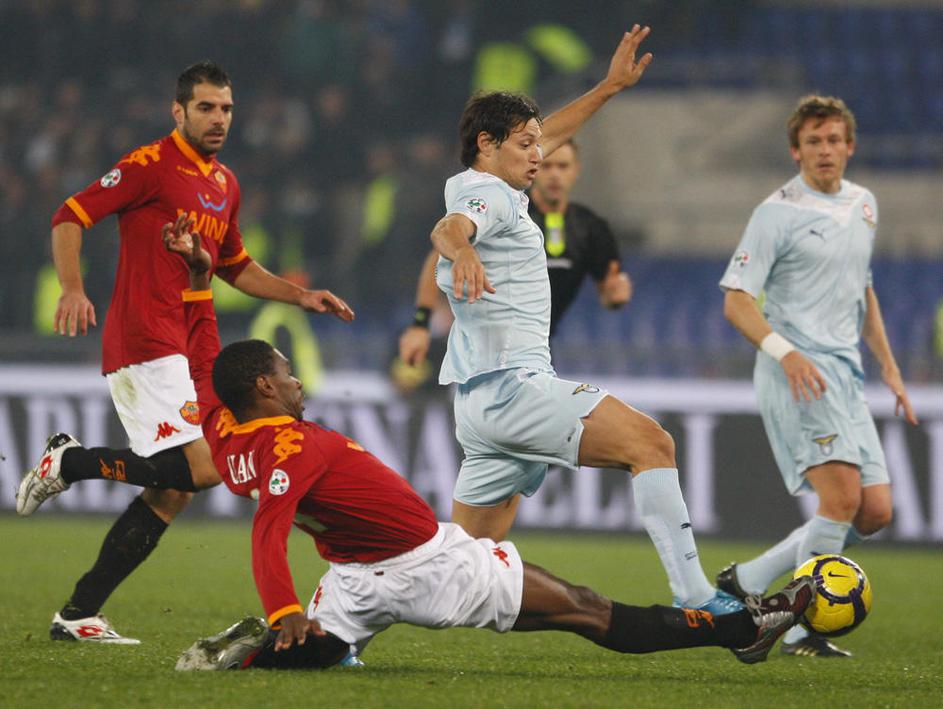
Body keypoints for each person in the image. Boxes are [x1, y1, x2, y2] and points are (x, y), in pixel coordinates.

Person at [157, 219, 811, 671]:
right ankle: (740, 628)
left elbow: (202, 352)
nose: (297, 380)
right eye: (285, 373)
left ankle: (246, 655)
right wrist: (283, 609)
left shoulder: (224, 426)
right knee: (585, 609)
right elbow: (267, 534)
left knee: (318, 652)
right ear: (264, 388)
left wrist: (198, 278)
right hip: (428, 565)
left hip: (352, 577)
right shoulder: (289, 449)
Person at [16, 60, 353, 644]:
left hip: (188, 344)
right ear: (179, 111)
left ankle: (78, 613)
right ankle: (69, 463)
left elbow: (235, 266)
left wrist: (301, 296)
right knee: (206, 467)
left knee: (172, 492)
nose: (219, 118)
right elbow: (70, 215)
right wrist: (72, 287)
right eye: (206, 107)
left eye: (226, 108)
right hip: (144, 339)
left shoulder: (225, 184)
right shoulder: (149, 165)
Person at [424, 26, 740, 616]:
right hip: (513, 390)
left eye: (539, 144)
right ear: (487, 144)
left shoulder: (489, 183)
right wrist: (461, 251)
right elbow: (450, 229)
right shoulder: (487, 196)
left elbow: (549, 134)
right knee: (651, 442)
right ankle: (698, 597)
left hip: (480, 403)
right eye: (526, 145)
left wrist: (610, 87)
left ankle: (339, 627)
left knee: (456, 566)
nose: (539, 155)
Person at [716, 95, 918, 658]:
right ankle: (800, 628)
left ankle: (749, 579)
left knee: (875, 511)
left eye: (833, 140)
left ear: (849, 146)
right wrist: (787, 354)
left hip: (845, 375)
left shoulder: (864, 204)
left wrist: (889, 366)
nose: (824, 150)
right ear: (795, 151)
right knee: (842, 497)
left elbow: (862, 289)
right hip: (797, 373)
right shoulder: (775, 213)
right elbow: (736, 301)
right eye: (813, 142)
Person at [398, 138, 631, 370]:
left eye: (563, 166)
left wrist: (615, 295)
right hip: (486, 345)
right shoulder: (506, 211)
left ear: (576, 170)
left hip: (536, 347)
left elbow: (609, 292)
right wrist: (421, 324)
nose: (554, 175)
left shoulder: (590, 228)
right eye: (547, 166)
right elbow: (438, 259)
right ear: (533, 168)